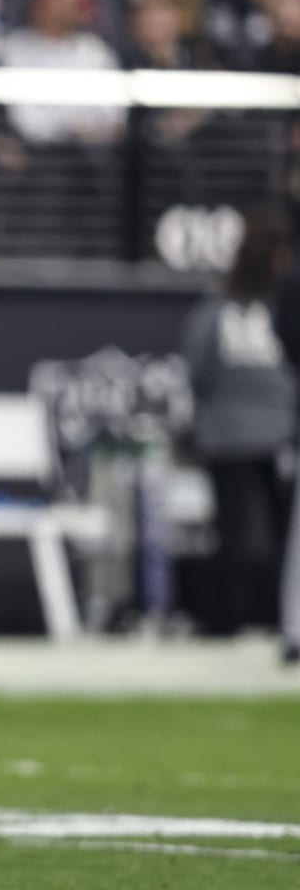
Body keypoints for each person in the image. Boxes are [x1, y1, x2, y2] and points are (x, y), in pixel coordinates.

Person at [181, 220, 294, 640]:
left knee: (229, 530)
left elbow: (196, 366)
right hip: (277, 431)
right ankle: (280, 615)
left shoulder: (217, 305)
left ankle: (220, 618)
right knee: (282, 532)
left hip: (224, 432)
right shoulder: (283, 303)